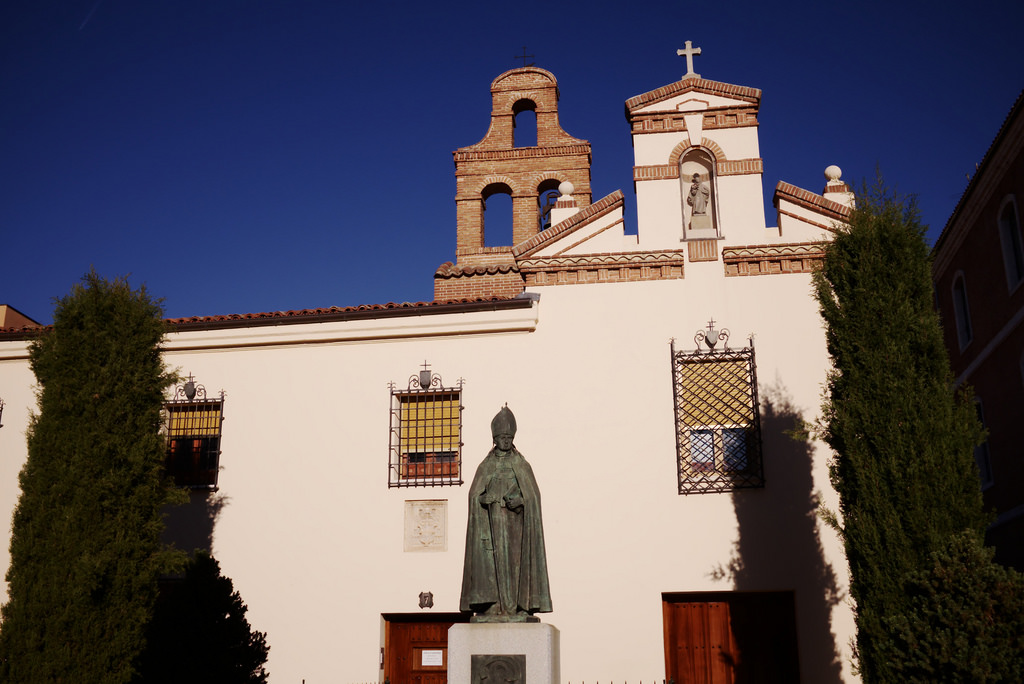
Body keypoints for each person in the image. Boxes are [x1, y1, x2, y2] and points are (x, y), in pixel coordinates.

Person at [460, 406, 552, 621]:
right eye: (502, 437)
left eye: (509, 437)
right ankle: (495, 606)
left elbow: (533, 496)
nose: (505, 441)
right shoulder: (487, 465)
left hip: (517, 527)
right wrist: (485, 500)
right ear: (495, 439)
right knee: (493, 566)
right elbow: (475, 494)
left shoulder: (521, 464)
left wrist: (521, 501)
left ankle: (519, 606)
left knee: (515, 567)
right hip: (492, 525)